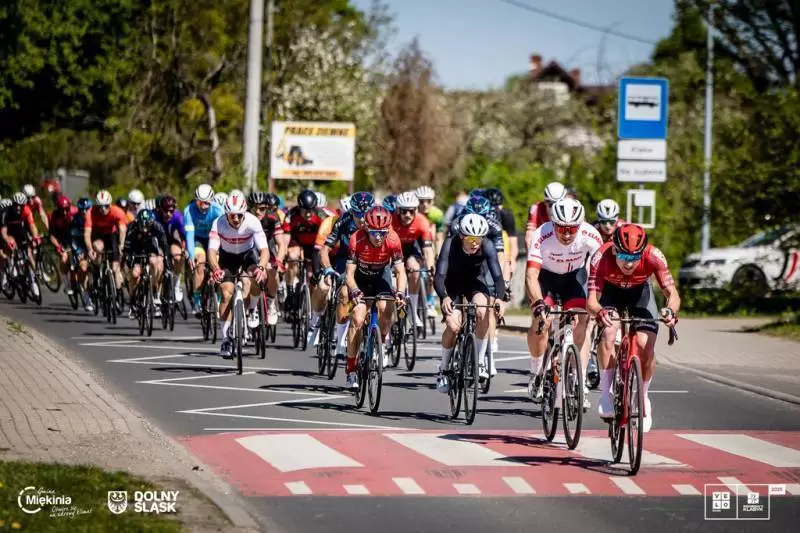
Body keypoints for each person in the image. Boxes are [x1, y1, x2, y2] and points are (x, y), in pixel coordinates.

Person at [587, 223, 679, 432]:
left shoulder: (654, 256)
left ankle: (643, 396)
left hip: (640, 294)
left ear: (643, 252)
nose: (629, 263)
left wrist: (670, 311)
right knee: (609, 332)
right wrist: (599, 312)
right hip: (611, 293)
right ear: (614, 250)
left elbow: (672, 293)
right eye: (624, 257)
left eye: (635, 257)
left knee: (646, 346)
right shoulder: (601, 257)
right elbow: (592, 300)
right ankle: (605, 394)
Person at [525, 198, 601, 411]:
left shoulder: (591, 235)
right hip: (547, 279)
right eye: (562, 228)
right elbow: (531, 275)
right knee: (542, 322)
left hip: (574, 278)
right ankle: (536, 370)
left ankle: (580, 382)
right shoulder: (541, 234)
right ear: (553, 223)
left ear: (580, 225)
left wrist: (597, 301)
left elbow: (602, 271)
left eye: (572, 229)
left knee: (582, 320)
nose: (567, 234)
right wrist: (538, 303)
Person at [434, 213, 506, 390]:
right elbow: (440, 275)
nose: (475, 243)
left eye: (479, 239)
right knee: (453, 326)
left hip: (475, 283)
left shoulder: (487, 246)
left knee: (484, 310)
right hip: (452, 285)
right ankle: (444, 369)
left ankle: (479, 362)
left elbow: (498, 277)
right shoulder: (450, 244)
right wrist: (444, 297)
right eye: (471, 239)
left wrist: (500, 298)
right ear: (462, 236)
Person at [343, 206, 407, 389]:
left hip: (381, 275)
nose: (378, 237)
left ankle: (382, 343)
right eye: (374, 233)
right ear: (366, 228)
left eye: (382, 233)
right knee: (357, 318)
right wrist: (355, 291)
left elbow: (400, 271)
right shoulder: (356, 239)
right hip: (360, 279)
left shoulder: (393, 239)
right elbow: (349, 275)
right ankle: (351, 368)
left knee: (386, 308)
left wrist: (400, 292)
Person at [207, 191, 270, 357]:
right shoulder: (218, 223)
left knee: (253, 279)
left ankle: (252, 308)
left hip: (247, 255)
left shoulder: (253, 221)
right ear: (226, 213)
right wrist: (216, 269)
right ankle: (225, 339)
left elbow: (264, 250)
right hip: (227, 258)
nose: (235, 219)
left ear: (244, 213)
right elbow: (211, 251)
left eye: (239, 215)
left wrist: (261, 267)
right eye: (232, 215)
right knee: (226, 293)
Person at [320, 192, 374, 364]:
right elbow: (325, 249)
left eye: (365, 214)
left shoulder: (377, 222)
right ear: (352, 211)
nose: (362, 219)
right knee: (344, 294)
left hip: (368, 262)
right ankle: (340, 341)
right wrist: (328, 268)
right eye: (358, 214)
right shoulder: (343, 221)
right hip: (345, 260)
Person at [282, 189, 329, 345]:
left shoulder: (321, 216)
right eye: (305, 210)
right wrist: (283, 255)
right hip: (297, 243)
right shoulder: (291, 215)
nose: (308, 214)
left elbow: (325, 239)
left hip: (315, 245)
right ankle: (290, 288)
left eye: (311, 210)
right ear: (299, 207)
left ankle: (310, 305)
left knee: (311, 277)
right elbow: (285, 239)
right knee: (293, 257)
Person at [392, 192, 436, 331]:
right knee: (393, 280)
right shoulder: (391, 221)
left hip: (411, 248)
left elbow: (427, 250)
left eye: (411, 211)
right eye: (404, 211)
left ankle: (413, 311)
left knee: (415, 269)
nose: (407, 215)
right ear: (398, 210)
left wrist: (430, 268)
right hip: (394, 250)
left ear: (416, 210)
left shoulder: (422, 222)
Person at [184, 184, 224, 315]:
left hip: (214, 238)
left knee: (218, 265)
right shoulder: (189, 210)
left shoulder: (218, 210)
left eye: (207, 203)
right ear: (196, 200)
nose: (203, 206)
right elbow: (189, 235)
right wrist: (191, 255)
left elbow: (224, 233)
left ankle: (219, 299)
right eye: (200, 202)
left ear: (212, 201)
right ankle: (197, 301)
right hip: (198, 239)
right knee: (199, 263)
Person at [248, 191, 286, 326]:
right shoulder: (244, 218)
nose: (258, 212)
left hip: (267, 246)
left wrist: (279, 262)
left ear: (267, 208)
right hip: (250, 248)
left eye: (262, 208)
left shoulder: (272, 218)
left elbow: (281, 244)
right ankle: (252, 308)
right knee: (251, 274)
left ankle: (270, 302)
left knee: (273, 273)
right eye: (255, 209)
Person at [124, 209, 169, 319]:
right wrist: (129, 260)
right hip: (136, 248)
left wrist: (166, 258)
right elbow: (127, 248)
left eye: (147, 225)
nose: (144, 229)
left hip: (150, 246)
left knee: (155, 262)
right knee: (135, 274)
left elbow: (164, 244)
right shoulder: (132, 228)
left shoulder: (157, 226)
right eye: (142, 226)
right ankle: (133, 301)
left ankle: (155, 291)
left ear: (151, 223)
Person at [84, 190, 128, 300]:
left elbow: (122, 230)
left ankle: (118, 293)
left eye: (106, 206)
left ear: (110, 204)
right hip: (97, 235)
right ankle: (97, 270)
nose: (103, 209)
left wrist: (121, 245)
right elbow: (87, 233)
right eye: (100, 206)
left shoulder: (117, 211)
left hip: (111, 235)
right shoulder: (90, 212)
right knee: (98, 248)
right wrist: (90, 249)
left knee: (115, 267)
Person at [1, 193, 42, 297]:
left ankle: (33, 280)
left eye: (21, 205)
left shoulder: (27, 210)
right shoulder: (6, 212)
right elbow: (4, 232)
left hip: (21, 232)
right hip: (10, 233)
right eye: (16, 205)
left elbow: (32, 226)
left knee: (28, 253)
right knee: (11, 246)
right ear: (12, 204)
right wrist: (8, 240)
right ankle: (10, 267)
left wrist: (36, 236)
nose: (18, 208)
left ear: (24, 205)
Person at [154, 195, 187, 304]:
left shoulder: (178, 217)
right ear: (160, 209)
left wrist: (185, 250)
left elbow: (185, 236)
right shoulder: (154, 216)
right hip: (158, 242)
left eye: (171, 211)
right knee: (158, 262)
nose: (168, 214)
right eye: (165, 211)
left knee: (178, 257)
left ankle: (176, 284)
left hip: (171, 240)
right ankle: (156, 291)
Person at [47, 196, 78, 298]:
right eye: (61, 210)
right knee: (64, 258)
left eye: (66, 209)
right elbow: (52, 236)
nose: (64, 212)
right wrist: (58, 246)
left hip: (73, 236)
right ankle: (66, 283)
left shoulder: (75, 211)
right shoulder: (54, 216)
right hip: (61, 239)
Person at [524, 182, 567, 252]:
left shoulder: (571, 209)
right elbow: (529, 237)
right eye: (550, 204)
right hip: (543, 246)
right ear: (545, 201)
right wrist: (531, 256)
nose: (554, 209)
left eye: (558, 205)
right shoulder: (536, 208)